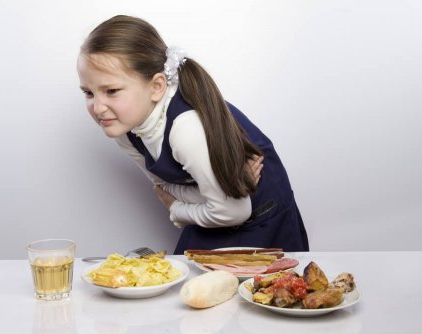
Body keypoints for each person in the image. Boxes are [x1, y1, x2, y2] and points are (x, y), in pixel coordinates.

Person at [77, 15, 309, 254]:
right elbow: (163, 189)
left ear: (156, 87)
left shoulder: (186, 129)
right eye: (88, 92)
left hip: (263, 219)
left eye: (112, 90)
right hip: (213, 216)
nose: (98, 107)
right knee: (187, 287)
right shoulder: (121, 127)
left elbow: (233, 211)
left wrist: (177, 209)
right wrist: (212, 195)